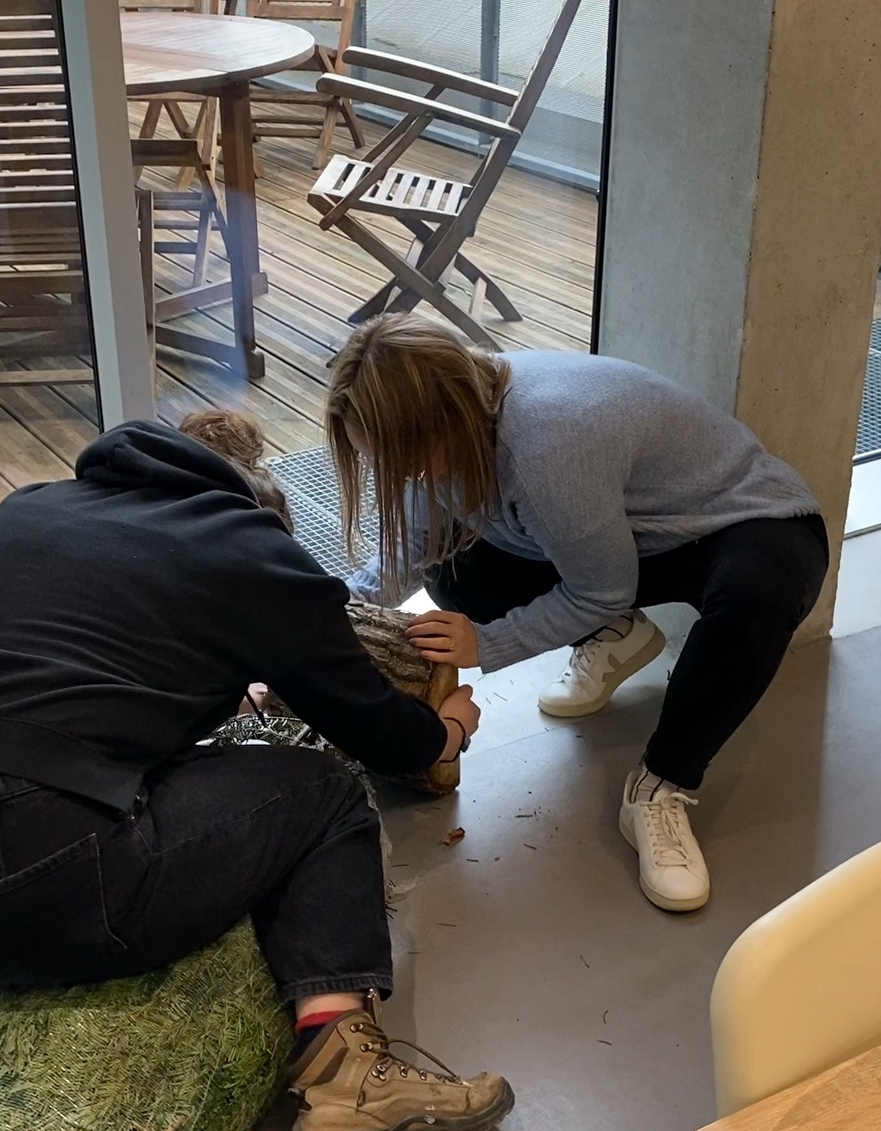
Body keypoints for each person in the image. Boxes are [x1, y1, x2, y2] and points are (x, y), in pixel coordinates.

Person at [0, 416, 513, 1131]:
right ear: (260, 505)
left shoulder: (37, 507)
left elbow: (53, 677)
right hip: (19, 866)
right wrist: (445, 733)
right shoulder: (253, 550)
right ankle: (352, 1079)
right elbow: (381, 734)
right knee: (322, 792)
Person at [328, 316, 828, 914]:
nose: (400, 477)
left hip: (742, 520)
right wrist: (336, 606)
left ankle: (659, 785)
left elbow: (604, 588)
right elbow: (416, 542)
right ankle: (614, 638)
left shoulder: (548, 447)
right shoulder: (451, 411)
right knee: (452, 570)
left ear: (443, 421)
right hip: (625, 531)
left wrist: (489, 642)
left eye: (405, 463)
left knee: (755, 600)